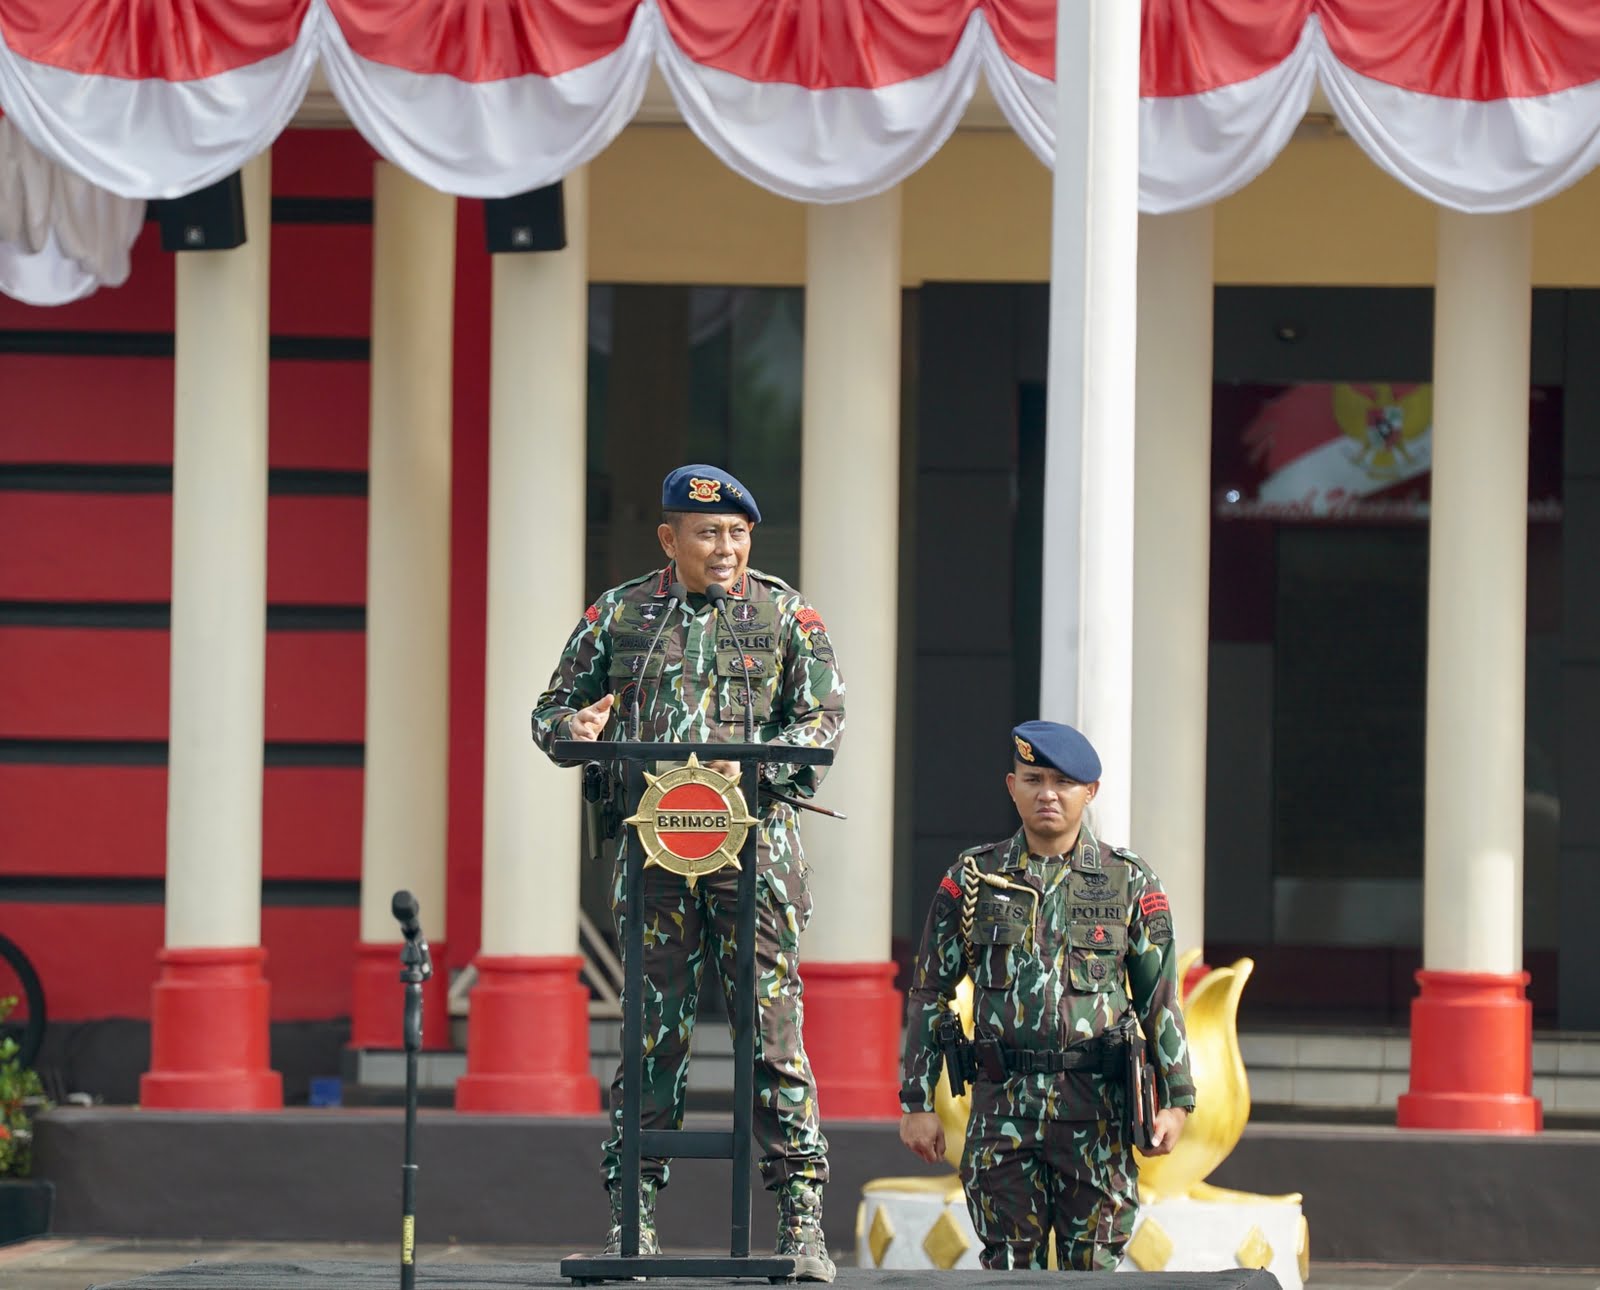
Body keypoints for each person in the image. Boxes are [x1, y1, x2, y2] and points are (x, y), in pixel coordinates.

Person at [532, 463, 846, 1282]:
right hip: (656, 856)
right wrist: (581, 723)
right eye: (708, 533)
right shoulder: (620, 613)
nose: (727, 547)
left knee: (772, 1035)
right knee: (649, 1036)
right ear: (669, 538)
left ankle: (801, 1221)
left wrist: (761, 773)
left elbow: (821, 721)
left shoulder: (786, 614)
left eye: (739, 533)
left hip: (754, 854)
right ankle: (632, 1223)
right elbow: (551, 715)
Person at [898, 720, 1195, 1271]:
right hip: (1002, 1109)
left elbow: (1159, 998)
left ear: (1090, 792)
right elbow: (929, 992)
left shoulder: (1128, 880)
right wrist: (915, 1103)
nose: (1048, 794)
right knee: (1009, 1267)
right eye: (1033, 779)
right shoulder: (974, 877)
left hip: (1097, 1112)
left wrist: (1176, 1100)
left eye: (1063, 781)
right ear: (1012, 787)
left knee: (1094, 1266)